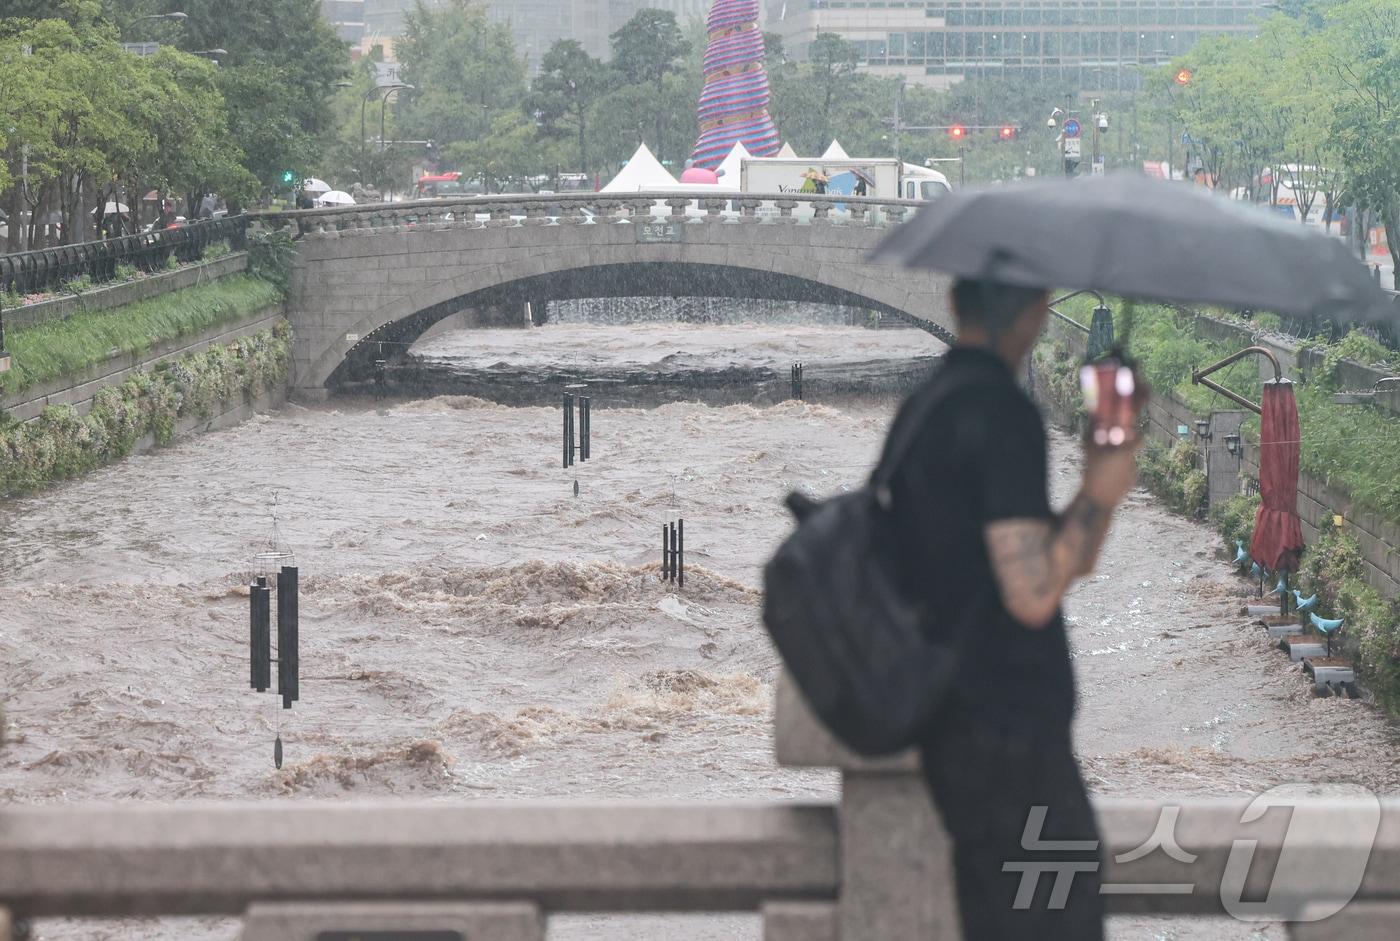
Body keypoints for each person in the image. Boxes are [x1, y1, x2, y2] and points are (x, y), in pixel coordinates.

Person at [883, 278, 1144, 941]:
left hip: (955, 733)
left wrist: (1095, 489)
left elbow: (1043, 562)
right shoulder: (997, 412)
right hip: (1009, 742)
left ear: (952, 303)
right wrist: (1102, 489)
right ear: (1034, 312)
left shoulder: (925, 405)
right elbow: (1032, 593)